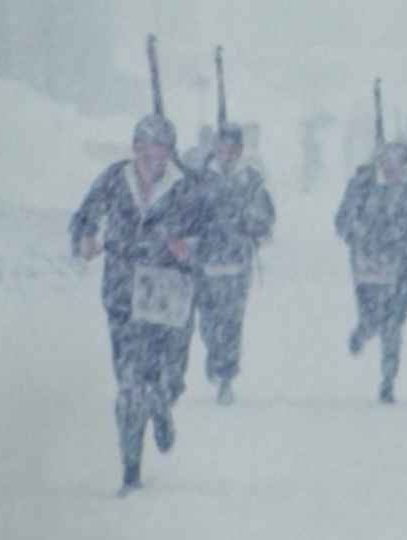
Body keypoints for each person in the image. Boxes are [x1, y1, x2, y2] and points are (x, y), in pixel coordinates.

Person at [69, 114, 204, 496]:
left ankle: (162, 404)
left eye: (161, 152)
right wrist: (85, 239)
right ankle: (130, 468)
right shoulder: (114, 179)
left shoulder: (189, 188)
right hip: (123, 291)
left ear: (171, 154)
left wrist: (188, 248)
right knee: (129, 383)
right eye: (146, 149)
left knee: (168, 378)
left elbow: (211, 236)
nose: (152, 159)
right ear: (135, 148)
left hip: (169, 294)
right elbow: (85, 216)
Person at [335, 142, 407, 404]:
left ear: (404, 165)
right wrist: (362, 235)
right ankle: (363, 332)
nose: (390, 168)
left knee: (393, 326)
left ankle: (388, 380)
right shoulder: (361, 188)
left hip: (401, 269)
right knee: (372, 318)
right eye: (385, 162)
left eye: (396, 162)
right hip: (368, 269)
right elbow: (342, 222)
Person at [194, 122, 276, 405]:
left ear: (240, 151)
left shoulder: (251, 180)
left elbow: (267, 217)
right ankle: (214, 356)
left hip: (237, 263)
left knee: (231, 322)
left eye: (232, 149)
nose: (226, 154)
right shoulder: (200, 179)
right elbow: (188, 213)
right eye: (222, 148)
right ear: (214, 148)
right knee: (207, 320)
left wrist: (253, 223)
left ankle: (226, 375)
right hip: (205, 263)